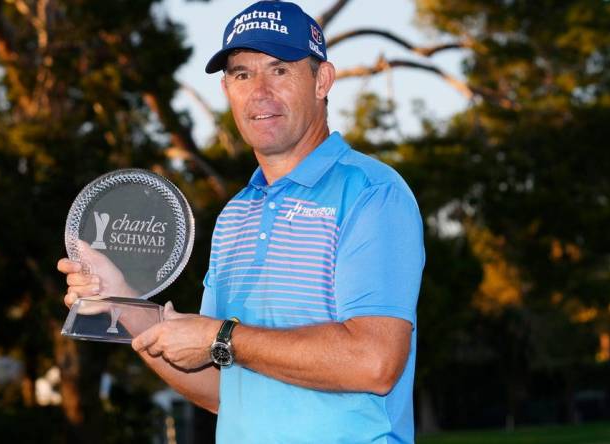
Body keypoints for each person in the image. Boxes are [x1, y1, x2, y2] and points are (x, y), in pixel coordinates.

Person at [58, 1, 425, 442]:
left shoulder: (372, 193)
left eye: (280, 70)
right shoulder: (235, 215)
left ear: (322, 80)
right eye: (241, 74)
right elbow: (220, 392)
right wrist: (121, 304)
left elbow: (375, 361)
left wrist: (221, 336)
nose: (259, 93)